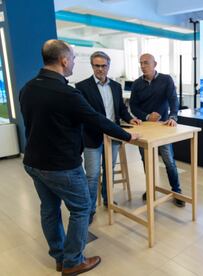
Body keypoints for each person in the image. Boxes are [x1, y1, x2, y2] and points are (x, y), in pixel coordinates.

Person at [19, 40, 139, 275]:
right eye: (73, 59)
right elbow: (97, 120)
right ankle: (73, 261)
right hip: (61, 165)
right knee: (82, 207)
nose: (74, 63)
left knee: (49, 209)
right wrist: (127, 135)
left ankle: (60, 256)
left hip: (33, 162)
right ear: (64, 60)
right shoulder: (67, 93)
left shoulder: (27, 88)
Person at [76, 51, 141, 224]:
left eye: (103, 65)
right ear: (92, 66)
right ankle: (89, 209)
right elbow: (84, 115)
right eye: (97, 65)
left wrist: (130, 118)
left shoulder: (115, 86)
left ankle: (107, 199)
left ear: (108, 66)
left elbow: (120, 109)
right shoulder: (82, 87)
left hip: (113, 135)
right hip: (92, 137)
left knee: (109, 170)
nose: (100, 69)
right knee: (92, 174)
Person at [129, 53, 185, 207]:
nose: (143, 66)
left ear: (155, 64)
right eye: (141, 63)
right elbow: (133, 106)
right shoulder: (136, 84)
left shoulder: (166, 80)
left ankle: (177, 191)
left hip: (163, 127)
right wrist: (147, 116)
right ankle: (151, 189)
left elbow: (174, 100)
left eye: (146, 63)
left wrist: (173, 117)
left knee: (169, 160)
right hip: (144, 128)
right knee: (147, 161)